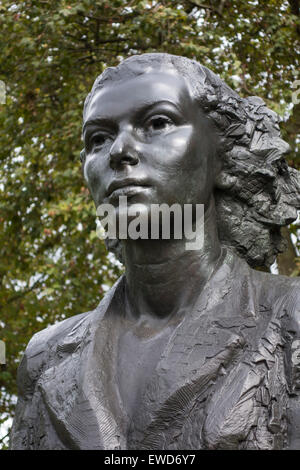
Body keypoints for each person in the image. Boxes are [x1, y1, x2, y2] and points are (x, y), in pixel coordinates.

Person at [10, 54, 300, 450]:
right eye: (98, 138)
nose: (119, 150)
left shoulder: (290, 319)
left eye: (158, 123)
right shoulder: (43, 357)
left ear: (221, 156)